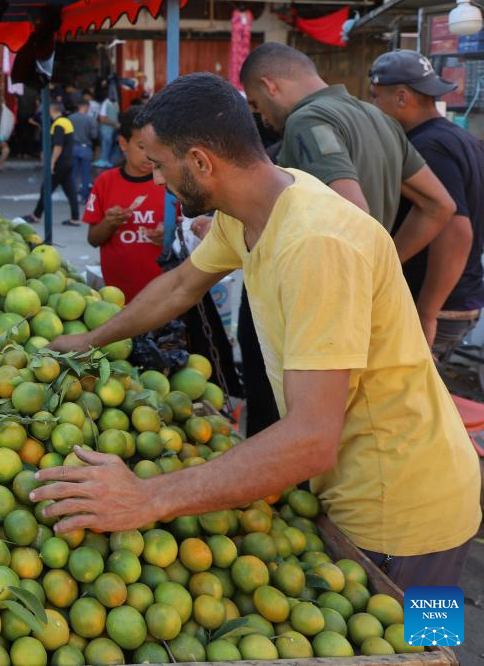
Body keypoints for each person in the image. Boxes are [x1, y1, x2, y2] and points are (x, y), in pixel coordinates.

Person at [38, 73, 481, 589]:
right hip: (352, 488)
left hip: (405, 512)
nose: (155, 180)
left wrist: (147, 497)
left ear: (200, 163)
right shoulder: (252, 208)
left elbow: (311, 438)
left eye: (159, 165)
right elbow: (179, 286)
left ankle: (437, 633)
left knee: (423, 635)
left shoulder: (315, 245)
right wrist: (87, 342)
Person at [240, 43, 455, 264]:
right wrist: (386, 266)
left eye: (256, 104)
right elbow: (438, 205)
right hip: (363, 280)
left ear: (269, 86)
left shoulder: (307, 120)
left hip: (323, 281)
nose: (263, 118)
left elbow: (354, 211)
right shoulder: (380, 118)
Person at [370, 50, 484, 354]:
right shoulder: (459, 137)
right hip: (458, 298)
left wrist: (426, 313)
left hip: (436, 305)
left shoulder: (427, 147)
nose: (372, 105)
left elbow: (456, 232)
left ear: (402, 97)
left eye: (376, 96)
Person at [83, 106, 167, 301]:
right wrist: (109, 223)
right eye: (142, 147)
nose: (150, 155)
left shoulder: (170, 181)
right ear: (123, 143)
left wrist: (169, 235)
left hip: (162, 295)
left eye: (155, 147)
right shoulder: (105, 182)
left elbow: (190, 234)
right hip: (117, 295)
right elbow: (93, 239)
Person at [23, 100, 79, 226]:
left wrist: (52, 162)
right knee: (70, 191)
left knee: (46, 189)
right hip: (68, 162)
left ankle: (36, 216)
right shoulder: (67, 122)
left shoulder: (58, 124)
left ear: (51, 110)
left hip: (59, 163)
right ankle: (75, 218)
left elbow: (58, 145)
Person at [68, 97, 98, 205]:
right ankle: (84, 197)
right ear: (87, 107)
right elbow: (94, 135)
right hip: (85, 148)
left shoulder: (70, 118)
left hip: (72, 147)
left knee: (73, 173)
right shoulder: (90, 119)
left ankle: (72, 196)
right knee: (86, 174)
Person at [96, 93, 120, 168]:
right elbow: (102, 119)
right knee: (106, 146)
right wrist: (114, 123)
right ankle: (103, 162)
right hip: (106, 130)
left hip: (113, 131)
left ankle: (107, 162)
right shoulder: (105, 104)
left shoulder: (115, 103)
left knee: (111, 146)